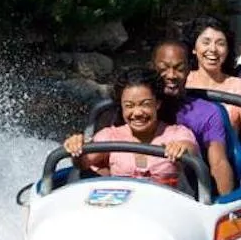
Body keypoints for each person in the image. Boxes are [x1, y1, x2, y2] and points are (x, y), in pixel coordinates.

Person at [63, 68, 197, 187]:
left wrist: (181, 148)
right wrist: (76, 147)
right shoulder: (110, 136)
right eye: (129, 106)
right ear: (121, 107)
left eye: (145, 104)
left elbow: (189, 147)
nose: (137, 113)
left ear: (157, 104)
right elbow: (83, 163)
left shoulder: (176, 133)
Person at [151, 39, 235, 195]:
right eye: (163, 68)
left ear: (189, 69)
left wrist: (225, 204)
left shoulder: (206, 112)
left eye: (179, 68)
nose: (171, 75)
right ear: (152, 68)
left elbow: (218, 163)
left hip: (186, 192)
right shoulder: (137, 110)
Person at [183, 16, 241, 162]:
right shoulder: (181, 82)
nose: (213, 49)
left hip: (224, 161)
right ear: (193, 48)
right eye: (206, 42)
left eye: (220, 44)